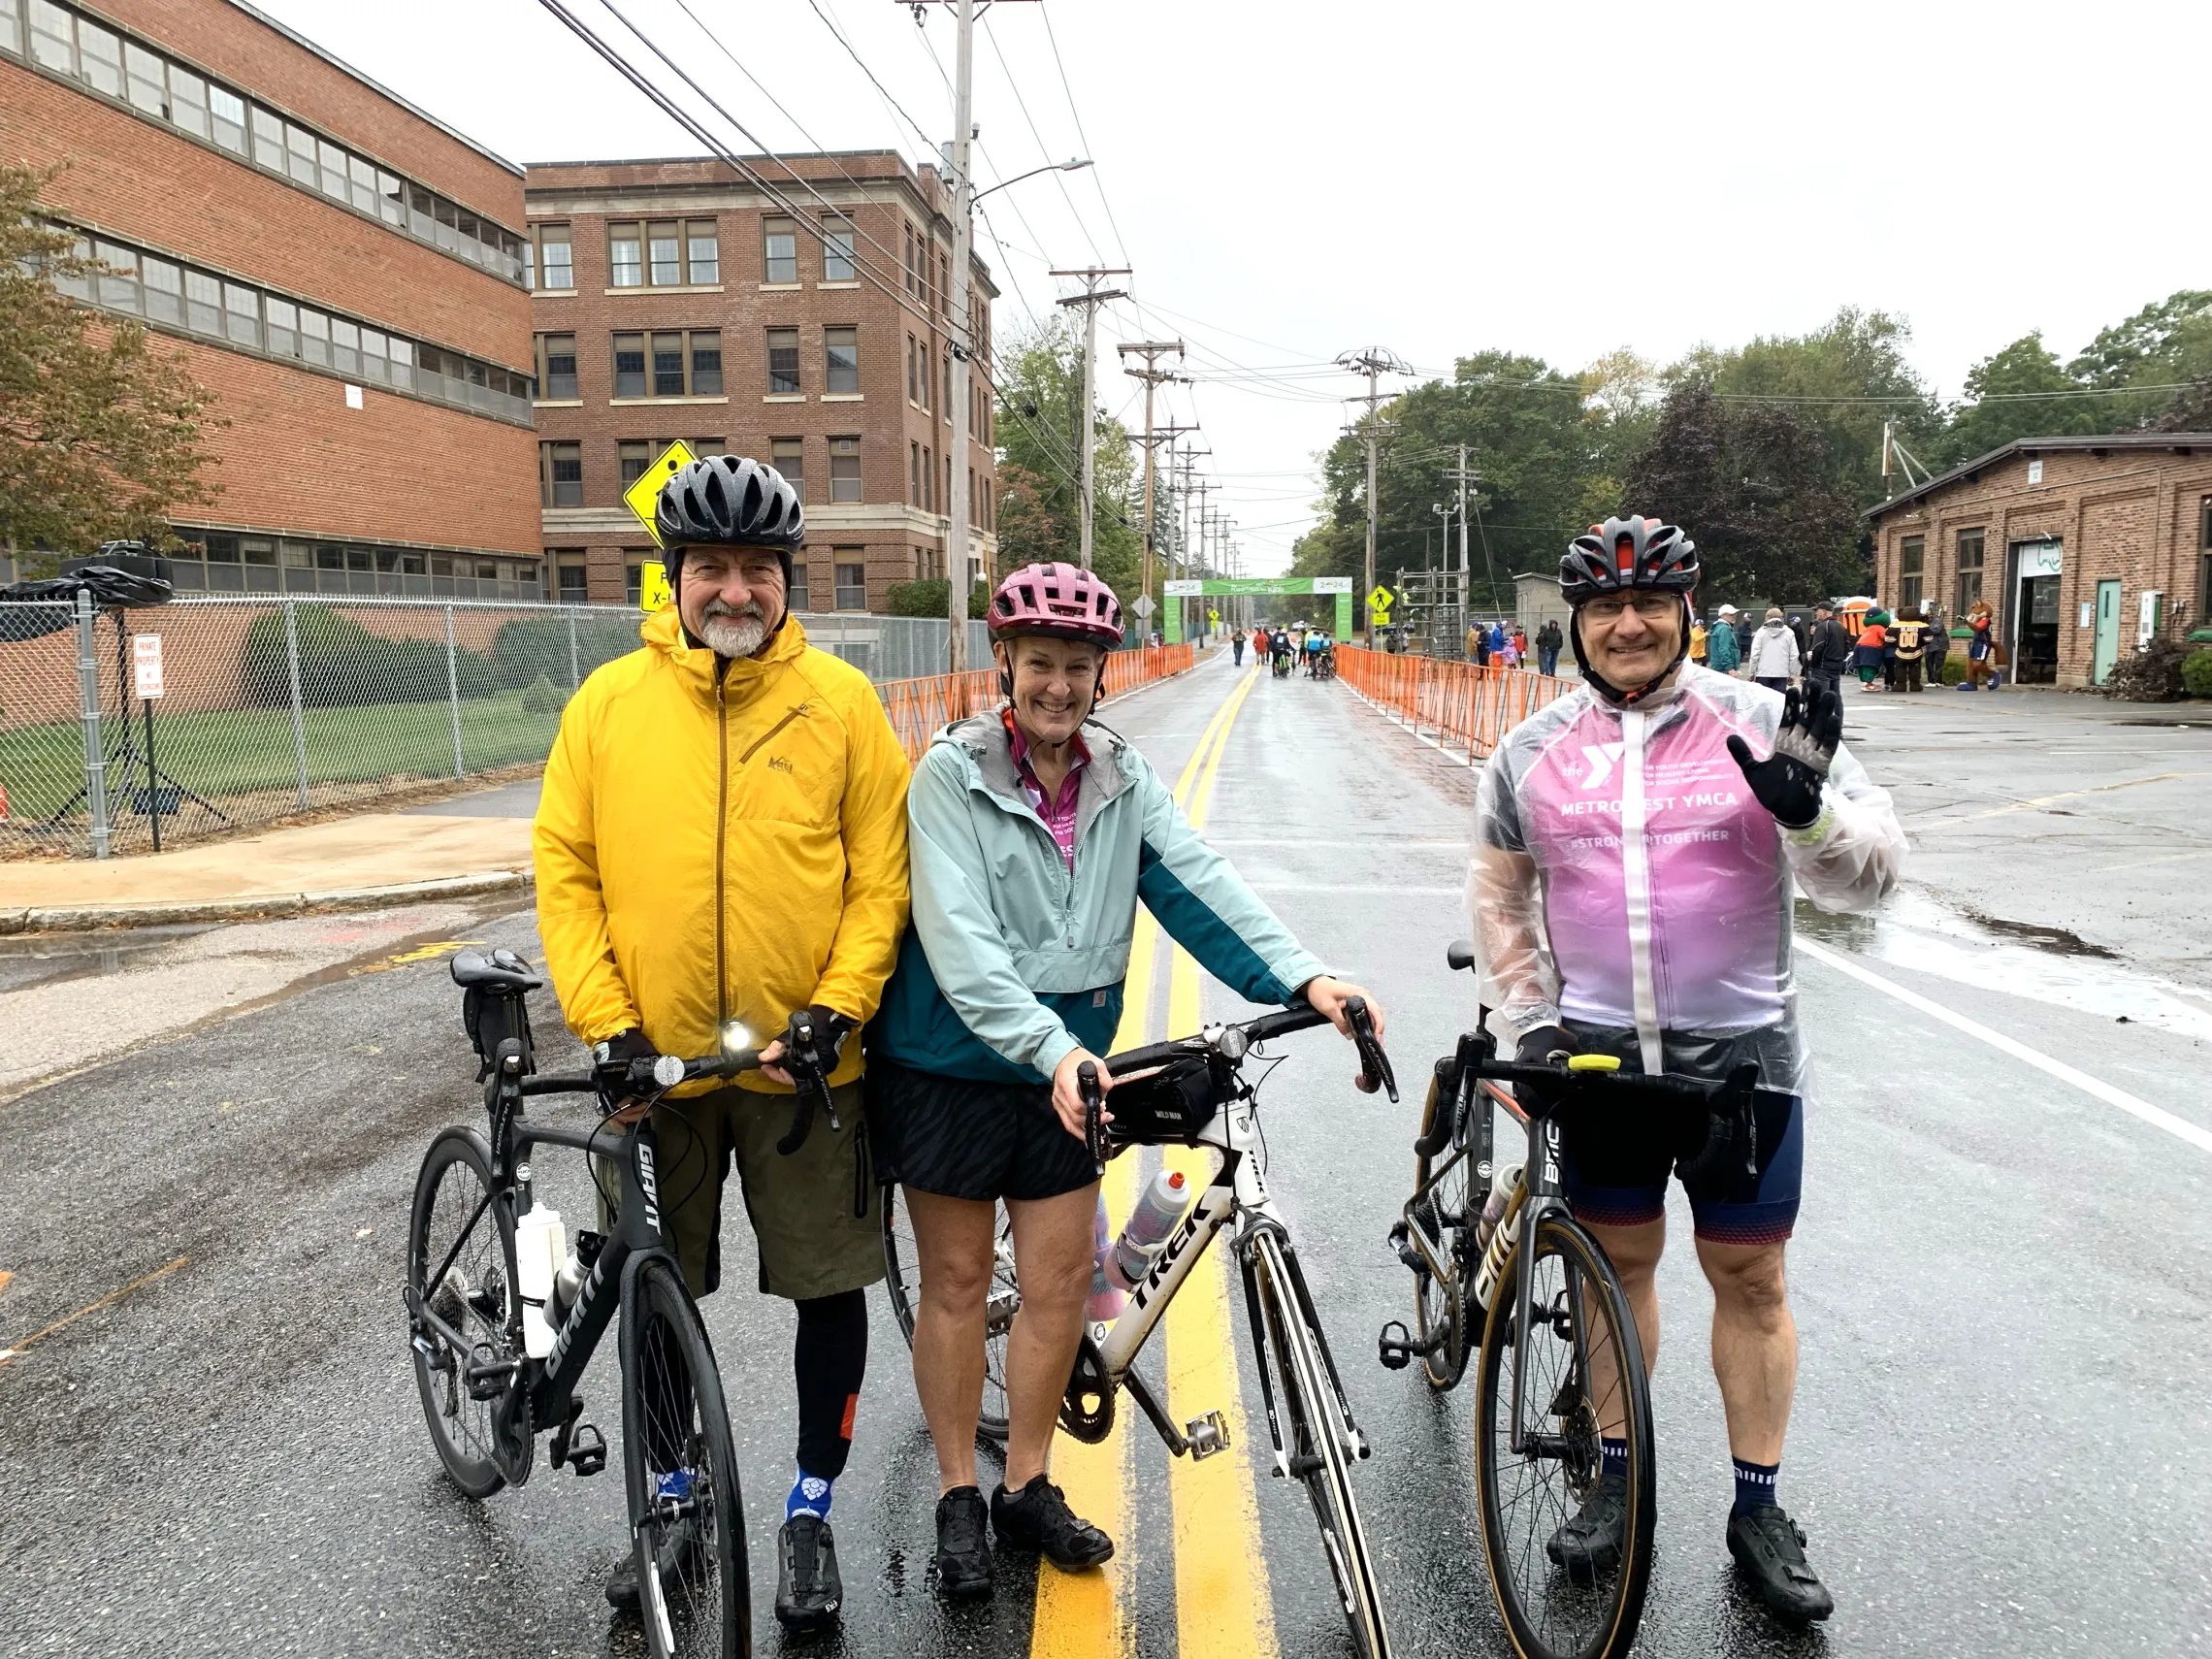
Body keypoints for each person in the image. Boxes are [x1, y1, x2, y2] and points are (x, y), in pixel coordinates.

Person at [868, 561, 1386, 1601]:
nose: (1058, 686)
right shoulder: (949, 775)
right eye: (1040, 663)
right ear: (1004, 663)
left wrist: (1308, 976)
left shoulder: (1118, 775)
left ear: (1102, 675)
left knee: (1062, 1283)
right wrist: (1052, 1048)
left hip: (1075, 1071)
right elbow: (961, 945)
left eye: (1078, 667)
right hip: (953, 1064)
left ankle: (1026, 1485)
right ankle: (959, 1493)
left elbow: (1202, 883)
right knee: (962, 1284)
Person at [1469, 514, 1903, 1628]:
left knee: (1752, 1282)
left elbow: (1872, 882)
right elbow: (1502, 897)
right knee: (1614, 1275)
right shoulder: (1532, 750)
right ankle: (1616, 1479)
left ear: (1685, 614)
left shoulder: (1760, 721)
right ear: (1576, 623)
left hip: (1744, 1061)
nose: (1627, 623)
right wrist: (1526, 1025)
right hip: (1604, 1058)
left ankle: (1757, 1505)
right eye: (1605, 606)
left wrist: (1806, 818)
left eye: (1648, 603)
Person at [535, 454, 912, 1632]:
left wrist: (839, 1005)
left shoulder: (845, 704)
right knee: (654, 1293)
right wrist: (607, 1021)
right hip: (654, 1072)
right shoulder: (605, 707)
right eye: (713, 568)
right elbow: (567, 870)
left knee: (830, 1289)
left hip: (807, 1073)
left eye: (759, 568)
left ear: (788, 579)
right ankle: (674, 1496)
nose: (736, 590)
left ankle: (808, 1509)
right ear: (675, 578)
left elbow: (879, 879)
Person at [1805, 602, 1852, 700]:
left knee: (1822, 696)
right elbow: (1847, 646)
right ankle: (1838, 716)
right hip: (1836, 666)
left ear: (1824, 611)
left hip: (1823, 667)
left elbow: (1818, 647)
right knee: (1836, 696)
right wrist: (1840, 659)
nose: (1816, 613)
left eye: (1817, 611)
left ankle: (1823, 715)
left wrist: (1813, 662)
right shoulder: (1841, 626)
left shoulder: (1823, 626)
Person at [1746, 606, 1801, 692]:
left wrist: (1751, 672)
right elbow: (1794, 655)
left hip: (1763, 672)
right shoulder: (1789, 632)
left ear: (1768, 616)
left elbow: (1755, 653)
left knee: (1763, 701)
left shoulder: (1761, 632)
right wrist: (1792, 674)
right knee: (1779, 701)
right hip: (1782, 673)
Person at [1892, 608, 1928, 694]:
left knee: (1900, 668)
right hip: (1916, 652)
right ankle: (1915, 685)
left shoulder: (1895, 626)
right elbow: (1929, 639)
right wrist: (1920, 643)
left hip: (1899, 652)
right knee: (1915, 669)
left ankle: (1900, 685)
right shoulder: (1923, 626)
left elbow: (1888, 639)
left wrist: (1896, 644)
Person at [1963, 600, 1995, 690]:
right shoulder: (1978, 619)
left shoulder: (1985, 619)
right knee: (1970, 663)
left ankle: (1992, 674)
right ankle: (1971, 682)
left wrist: (1968, 623)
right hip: (1975, 642)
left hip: (1982, 643)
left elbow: (1978, 628)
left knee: (1978, 663)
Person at [1853, 609, 1887, 690]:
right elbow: (1884, 637)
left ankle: (1865, 682)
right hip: (1871, 647)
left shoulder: (1867, 628)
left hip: (1858, 646)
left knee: (1861, 665)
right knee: (1870, 665)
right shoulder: (1879, 627)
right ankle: (1868, 684)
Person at [1706, 605, 1742, 674]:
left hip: (1719, 666)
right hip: (1723, 668)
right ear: (1723, 615)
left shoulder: (1718, 627)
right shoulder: (1725, 629)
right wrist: (1729, 667)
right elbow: (1724, 649)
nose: (1734, 616)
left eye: (1734, 614)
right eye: (1731, 614)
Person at [1924, 603, 1950, 686]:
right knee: (1929, 664)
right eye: (1926, 615)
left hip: (1939, 646)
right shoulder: (1925, 622)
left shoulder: (1938, 621)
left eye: (1929, 615)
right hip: (1930, 646)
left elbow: (1936, 631)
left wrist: (1925, 628)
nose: (1928, 616)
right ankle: (1931, 681)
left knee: (1939, 664)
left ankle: (1938, 681)